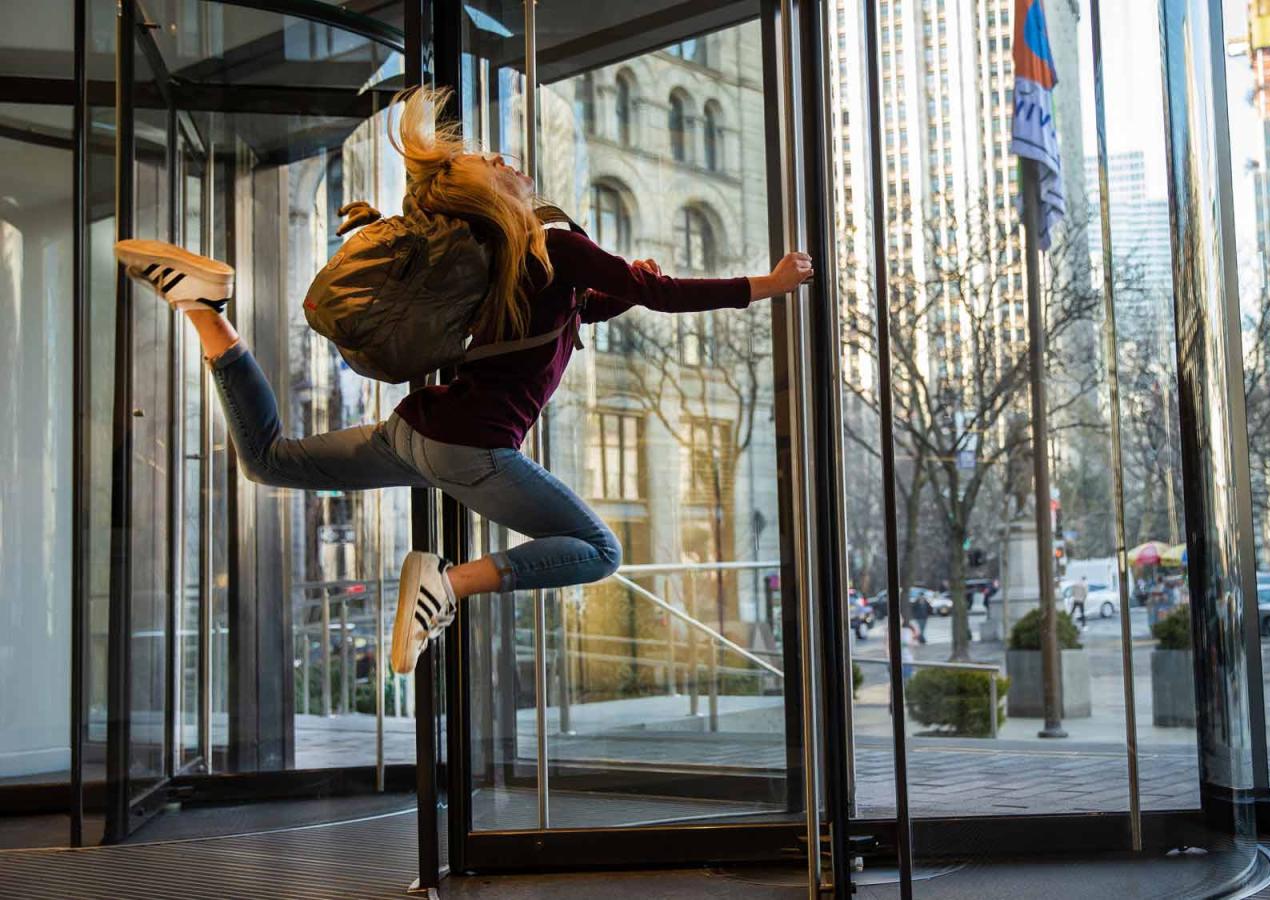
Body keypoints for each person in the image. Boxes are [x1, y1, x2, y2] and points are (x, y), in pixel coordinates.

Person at [112, 86, 812, 677]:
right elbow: (653, 297)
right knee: (600, 552)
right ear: (498, 191)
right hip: (467, 447)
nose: (509, 162)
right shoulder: (553, 243)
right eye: (497, 162)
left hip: (415, 432)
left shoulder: (513, 260)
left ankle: (204, 308)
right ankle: (444, 584)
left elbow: (589, 309)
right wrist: (766, 285)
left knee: (266, 461)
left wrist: (634, 285)